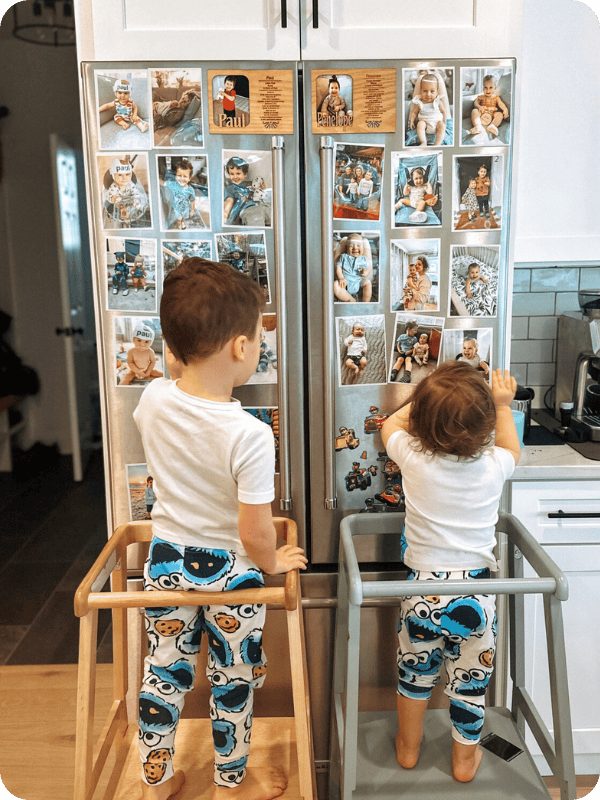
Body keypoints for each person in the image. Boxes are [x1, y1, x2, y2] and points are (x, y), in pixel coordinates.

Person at [133, 258, 307, 800]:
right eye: (258, 338)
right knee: (232, 679)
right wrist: (275, 560)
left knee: (164, 672)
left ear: (172, 346)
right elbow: (255, 531)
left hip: (166, 560)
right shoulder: (250, 435)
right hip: (232, 570)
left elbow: (172, 365)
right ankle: (231, 781)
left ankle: (156, 780)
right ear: (240, 348)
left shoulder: (152, 401)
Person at [381, 364, 519, 782]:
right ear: (486, 426)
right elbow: (514, 447)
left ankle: (408, 747)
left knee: (415, 673)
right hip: (474, 595)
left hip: (422, 593)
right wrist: (502, 405)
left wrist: (422, 399)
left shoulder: (413, 457)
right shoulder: (495, 463)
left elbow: (389, 423)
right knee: (470, 683)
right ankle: (464, 760)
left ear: (423, 421)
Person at [103, 159, 148, 228]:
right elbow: (109, 195)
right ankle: (123, 217)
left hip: (129, 201)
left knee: (135, 208)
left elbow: (135, 192)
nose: (124, 178)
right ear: (113, 177)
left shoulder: (131, 184)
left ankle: (130, 218)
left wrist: (135, 200)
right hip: (119, 203)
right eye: (120, 175)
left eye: (127, 174)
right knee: (117, 209)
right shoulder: (114, 186)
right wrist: (113, 198)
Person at [408, 73, 447, 147]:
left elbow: (443, 111)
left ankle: (437, 143)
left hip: (437, 123)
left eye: (432, 91)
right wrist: (412, 121)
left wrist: (444, 121)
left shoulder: (438, 101)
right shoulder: (419, 102)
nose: (428, 94)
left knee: (442, 126)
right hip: (425, 124)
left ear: (437, 92)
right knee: (420, 124)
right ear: (420, 91)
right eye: (425, 91)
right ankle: (423, 142)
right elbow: (414, 113)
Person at [334, 234, 372, 303]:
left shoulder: (363, 259)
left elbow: (368, 269)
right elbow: (338, 267)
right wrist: (341, 278)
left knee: (368, 283)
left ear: (363, 247)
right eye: (351, 246)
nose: (355, 248)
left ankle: (366, 302)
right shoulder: (344, 257)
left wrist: (365, 272)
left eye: (358, 245)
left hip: (358, 283)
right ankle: (350, 299)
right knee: (335, 285)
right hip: (345, 284)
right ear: (347, 247)